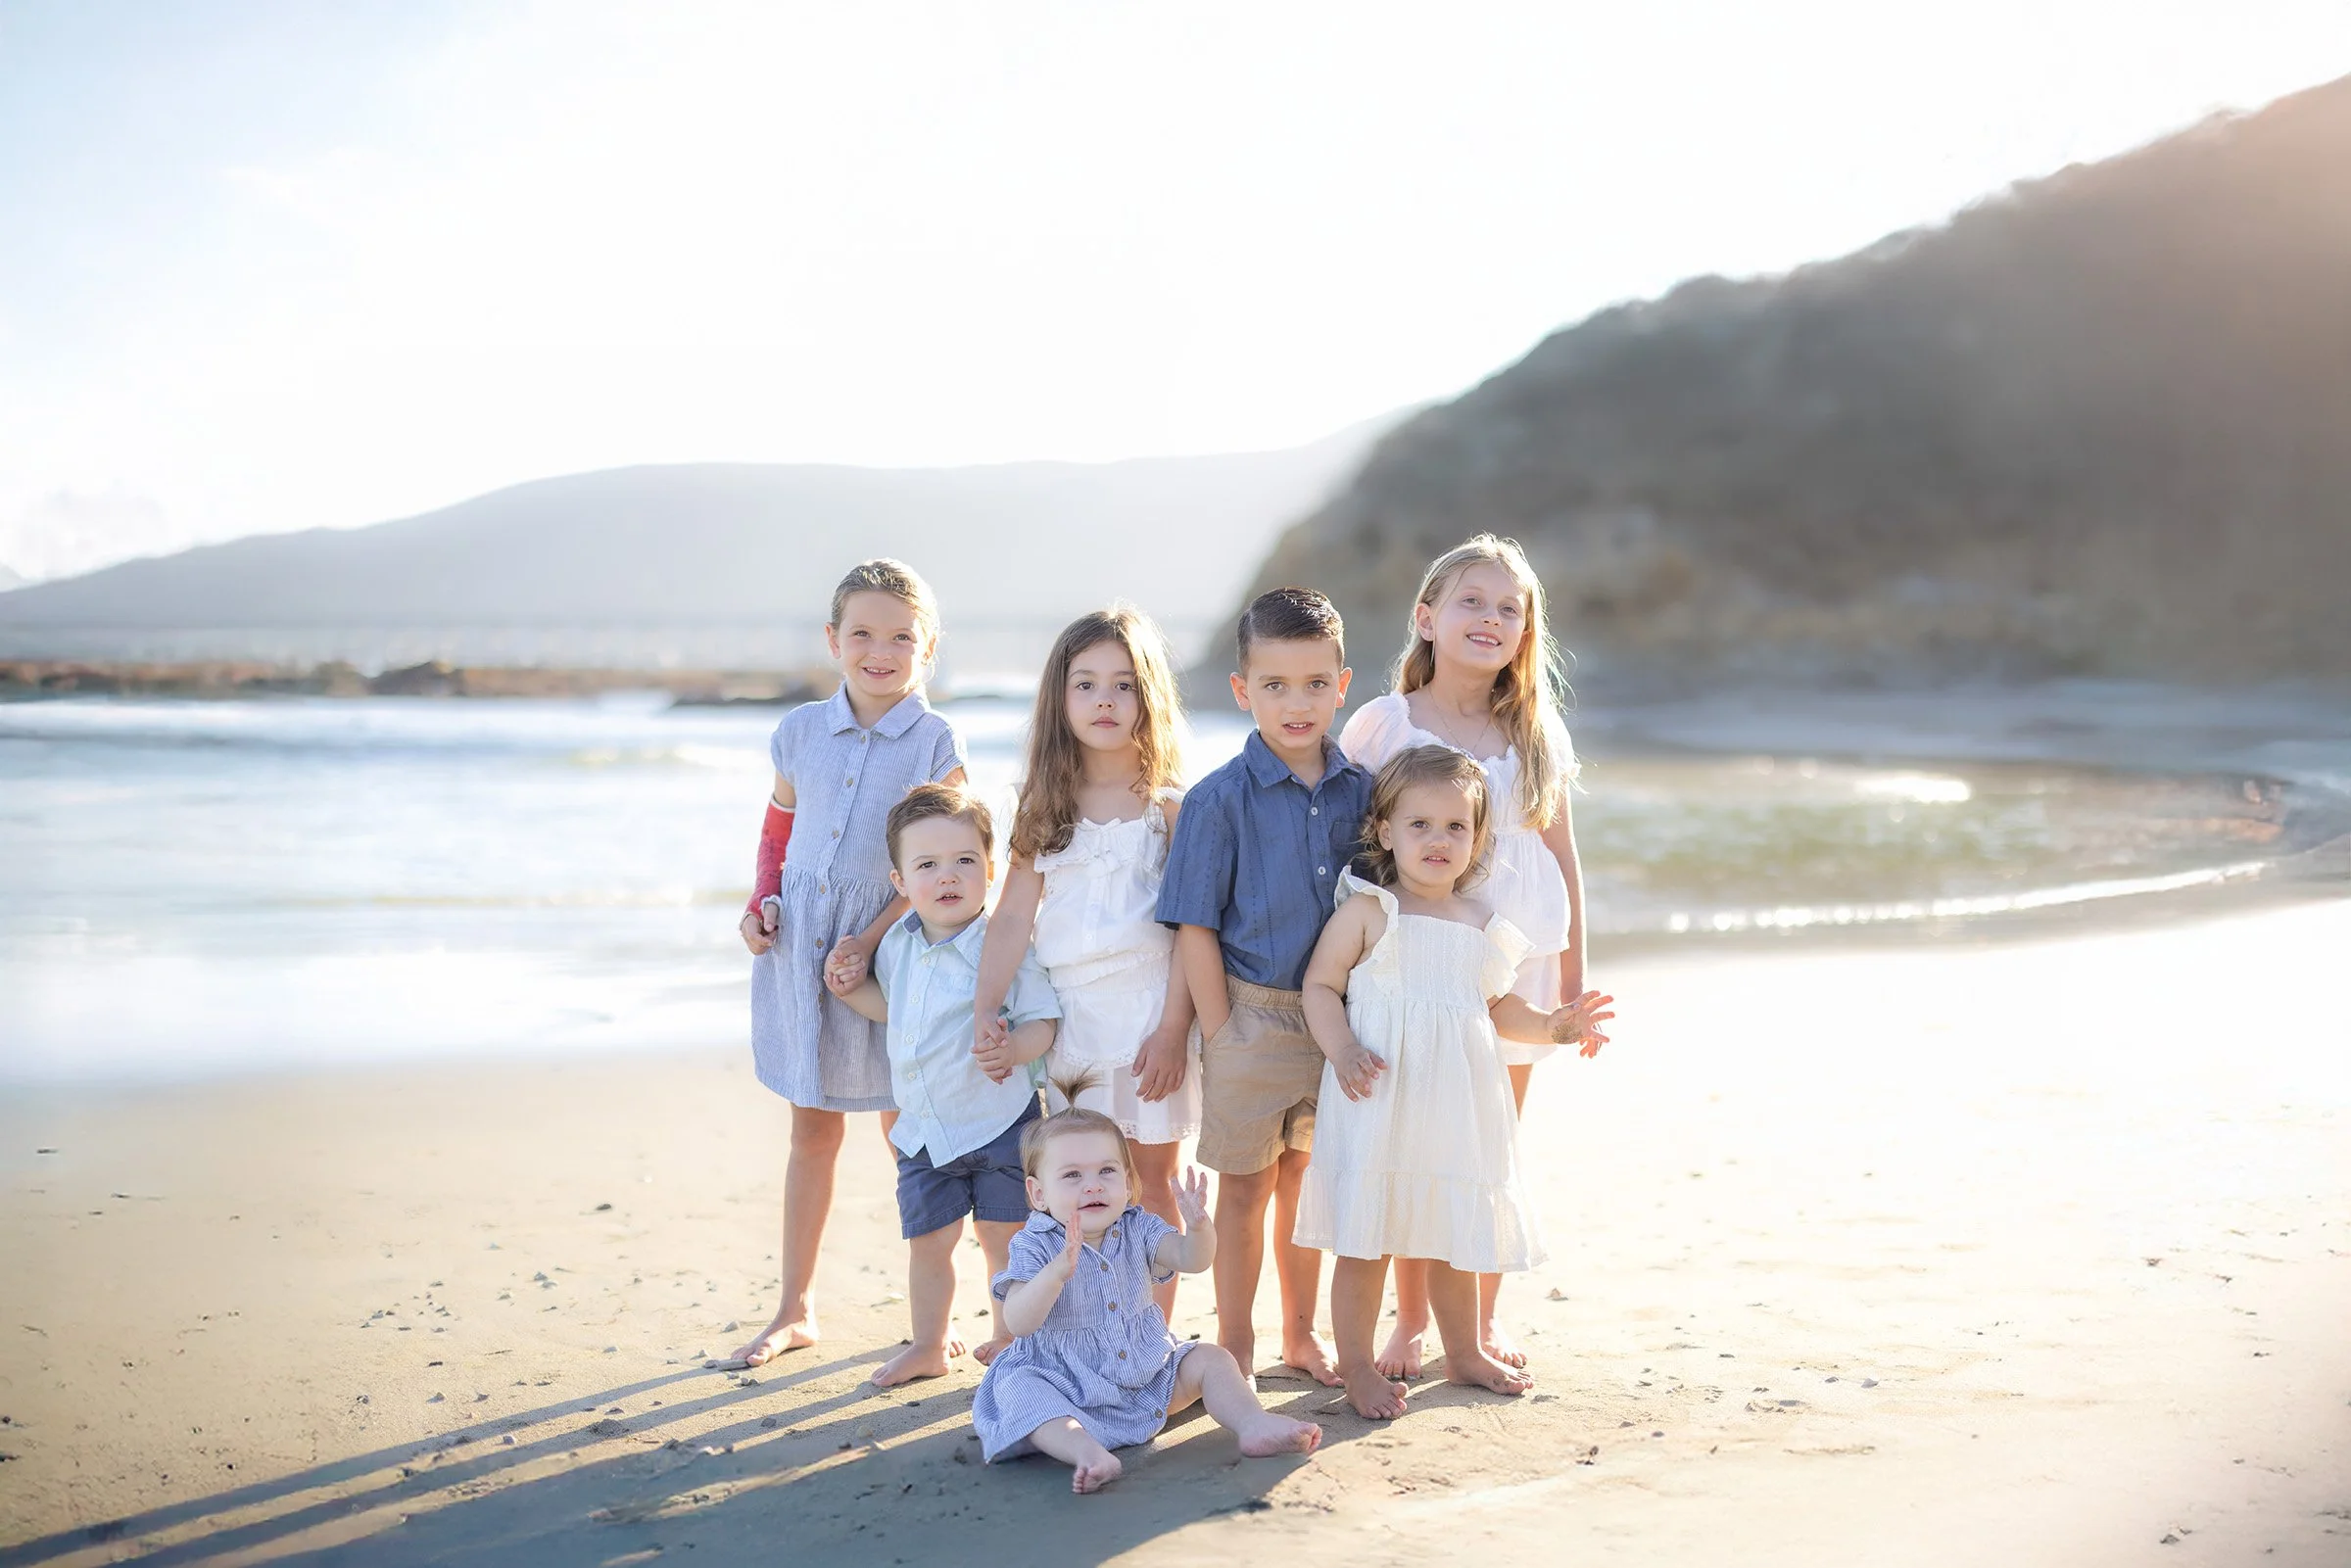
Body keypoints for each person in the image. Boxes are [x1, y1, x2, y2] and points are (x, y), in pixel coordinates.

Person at [1336, 534, 1610, 1376]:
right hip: (1423, 963)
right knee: (1423, 1135)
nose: (1489, 618)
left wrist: (1572, 976)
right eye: (1471, 601)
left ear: (1527, 632)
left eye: (1509, 608)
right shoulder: (1388, 723)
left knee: (1488, 1142)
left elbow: (1561, 853)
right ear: (1427, 618)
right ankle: (1411, 1322)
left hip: (1517, 960)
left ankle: (1479, 1321)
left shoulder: (1534, 730)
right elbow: (1350, 846)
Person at [1294, 745, 1615, 1417]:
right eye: (1420, 825)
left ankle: (1463, 1348)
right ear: (1385, 831)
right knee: (1367, 1236)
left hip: (1453, 1102)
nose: (1438, 840)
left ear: (1477, 838)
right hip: (1378, 1096)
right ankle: (1355, 1363)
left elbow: (1500, 1007)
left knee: (1450, 1231)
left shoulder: (1479, 922)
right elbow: (1320, 986)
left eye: (1455, 827)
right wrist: (1343, 1046)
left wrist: (1555, 1023)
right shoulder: (1369, 910)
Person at [728, 559, 969, 1369]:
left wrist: (870, 936)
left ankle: (933, 1322)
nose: (880, 650)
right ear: (833, 639)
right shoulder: (798, 731)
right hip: (802, 952)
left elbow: (951, 860)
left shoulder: (934, 740)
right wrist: (763, 904)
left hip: (890, 955)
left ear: (926, 647)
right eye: (861, 633)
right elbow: (776, 835)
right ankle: (794, 1308)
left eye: (901, 636)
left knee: (913, 1134)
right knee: (812, 1131)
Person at [1155, 586, 1373, 1386]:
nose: (1297, 703)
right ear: (1243, 690)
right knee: (1244, 1191)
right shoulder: (1218, 799)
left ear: (1342, 685)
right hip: (1249, 1014)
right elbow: (1194, 924)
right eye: (1275, 685)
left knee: (1306, 1185)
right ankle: (1237, 1341)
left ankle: (1301, 1334)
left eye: (1316, 683)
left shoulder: (1363, 792)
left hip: (1337, 1024)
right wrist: (1220, 1032)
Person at [975, 607, 1197, 1316]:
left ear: (1148, 696)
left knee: (1150, 1181)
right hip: (1072, 1026)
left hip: (1150, 1018)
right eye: (1087, 684)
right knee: (1078, 1183)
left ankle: (1152, 1335)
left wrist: (1171, 1030)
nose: (1105, 700)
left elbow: (1193, 928)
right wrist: (988, 1006)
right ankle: (1087, 1328)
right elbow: (1012, 914)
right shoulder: (1045, 804)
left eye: (1124, 684)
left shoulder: (1169, 807)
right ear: (1059, 698)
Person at [825, 783, 1059, 1385]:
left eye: (964, 862)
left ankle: (1009, 1339)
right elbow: (894, 1012)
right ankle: (930, 1343)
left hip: (1001, 1122)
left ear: (989, 868)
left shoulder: (1004, 946)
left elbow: (1044, 1020)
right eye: (926, 865)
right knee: (928, 1242)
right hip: (924, 1131)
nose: (947, 876)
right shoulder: (898, 946)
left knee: (1004, 1239)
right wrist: (853, 991)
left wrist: (1014, 1049)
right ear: (900, 882)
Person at [971, 1108, 1323, 1493]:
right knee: (1020, 1390)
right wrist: (1054, 1275)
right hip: (1065, 1385)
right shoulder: (1033, 1244)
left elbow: (1193, 1259)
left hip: (1146, 1375)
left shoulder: (1138, 1226)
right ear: (1039, 1194)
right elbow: (1019, 1323)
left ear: (1127, 1181)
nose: (1093, 1185)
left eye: (1106, 1171)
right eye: (1072, 1175)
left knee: (1212, 1358)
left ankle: (1254, 1424)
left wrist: (1201, 1227)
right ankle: (1086, 1451)